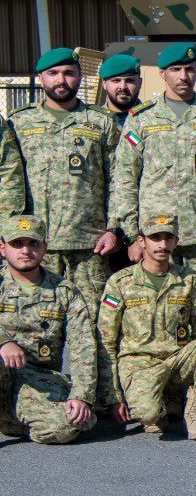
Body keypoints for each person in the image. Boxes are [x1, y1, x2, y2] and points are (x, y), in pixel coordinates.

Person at [110, 42, 196, 317]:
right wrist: (132, 236)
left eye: (190, 69)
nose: (183, 76)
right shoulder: (141, 119)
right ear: (162, 74)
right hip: (155, 235)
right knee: (155, 309)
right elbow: (125, 179)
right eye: (176, 69)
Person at [98, 213, 196, 440]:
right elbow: (106, 341)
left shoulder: (188, 279)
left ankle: (194, 411)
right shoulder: (120, 282)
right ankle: (166, 400)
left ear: (176, 242)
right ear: (141, 241)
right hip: (140, 364)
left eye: (168, 238)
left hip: (177, 360)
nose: (162, 244)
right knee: (148, 414)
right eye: (155, 238)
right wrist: (113, 397)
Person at [12, 47, 120, 308]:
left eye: (69, 73)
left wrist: (114, 229)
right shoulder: (19, 122)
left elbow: (119, 179)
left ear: (80, 77)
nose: (61, 80)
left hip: (90, 245)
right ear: (41, 78)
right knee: (40, 319)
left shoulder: (101, 122)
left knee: (91, 318)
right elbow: (9, 182)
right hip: (35, 244)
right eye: (53, 73)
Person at [0, 214, 112, 444]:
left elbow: (83, 346)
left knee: (67, 426)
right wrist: (3, 341)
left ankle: (13, 417)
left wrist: (81, 396)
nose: (25, 251)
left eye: (33, 243)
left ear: (45, 247)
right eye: (17, 243)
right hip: (2, 372)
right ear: (2, 248)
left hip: (38, 379)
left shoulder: (64, 291)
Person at [96, 52, 144, 142]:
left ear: (140, 83)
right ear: (104, 84)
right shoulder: (93, 121)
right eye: (116, 80)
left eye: (129, 80)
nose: (123, 87)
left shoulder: (153, 120)